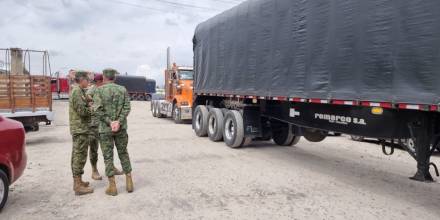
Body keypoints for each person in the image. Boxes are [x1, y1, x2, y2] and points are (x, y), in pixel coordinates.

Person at [93, 68, 133, 196]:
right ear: (114, 78)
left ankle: (112, 186)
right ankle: (129, 182)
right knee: (123, 153)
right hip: (121, 128)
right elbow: (127, 107)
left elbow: (97, 110)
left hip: (105, 129)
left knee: (108, 156)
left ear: (104, 78)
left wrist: (110, 122)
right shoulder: (123, 89)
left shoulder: (98, 90)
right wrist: (119, 122)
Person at [86, 74, 124, 181]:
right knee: (94, 148)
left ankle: (111, 167)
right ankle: (94, 170)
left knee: (107, 148)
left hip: (104, 124)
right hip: (94, 124)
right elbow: (87, 102)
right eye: (102, 80)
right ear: (98, 81)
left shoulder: (104, 90)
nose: (104, 82)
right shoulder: (92, 90)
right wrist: (93, 107)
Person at [69, 71, 94, 196]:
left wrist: (88, 101)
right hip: (80, 129)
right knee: (79, 155)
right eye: (87, 80)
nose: (88, 82)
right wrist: (91, 108)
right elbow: (82, 111)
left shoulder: (80, 91)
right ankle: (77, 185)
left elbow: (86, 101)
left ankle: (78, 180)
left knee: (78, 154)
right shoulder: (76, 92)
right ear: (81, 80)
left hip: (81, 128)